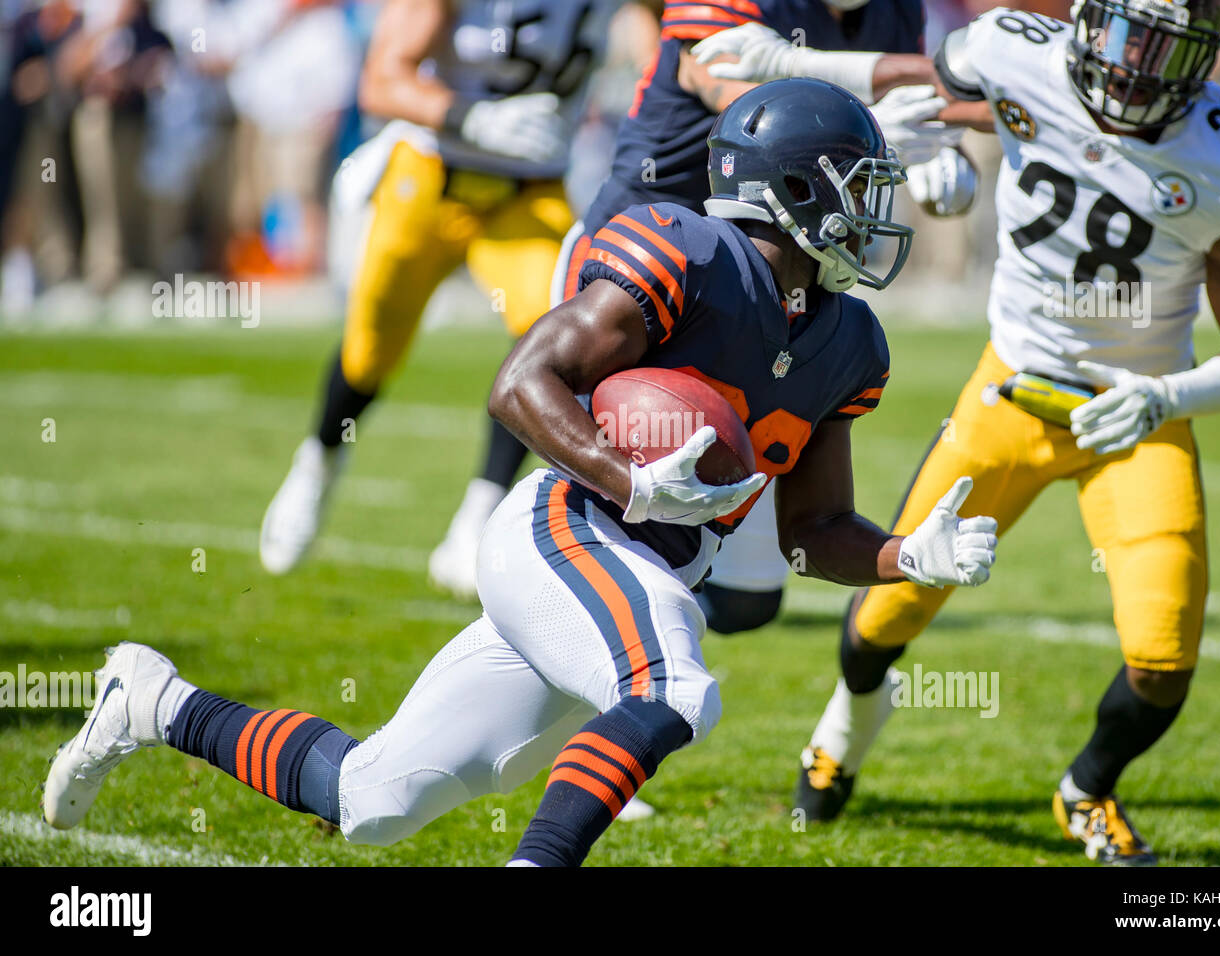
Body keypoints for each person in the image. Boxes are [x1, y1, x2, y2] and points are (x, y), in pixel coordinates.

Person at [43, 79, 1000, 867]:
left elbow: (812, 530)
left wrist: (908, 554)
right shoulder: (690, 254)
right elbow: (521, 383)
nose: (874, 211)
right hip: (569, 527)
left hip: (648, 567)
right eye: (856, 186)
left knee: (373, 798)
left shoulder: (848, 342)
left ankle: (154, 701)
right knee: (673, 689)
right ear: (794, 190)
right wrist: (626, 479)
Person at [732, 0, 1220, 864]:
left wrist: (1168, 396)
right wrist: (926, 146)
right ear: (1086, 20)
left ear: (1205, 55)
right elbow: (929, 90)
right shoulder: (1016, 51)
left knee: (1164, 654)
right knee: (886, 610)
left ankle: (1088, 789)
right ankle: (845, 725)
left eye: (1163, 47)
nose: (1136, 63)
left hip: (1135, 415)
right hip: (1010, 393)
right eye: (1121, 34)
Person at [428, 0, 974, 624]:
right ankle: (504, 528)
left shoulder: (893, 14)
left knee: (745, 601)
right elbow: (717, 80)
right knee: (618, 517)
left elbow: (811, 533)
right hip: (659, 260)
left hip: (783, 271)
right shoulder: (675, 246)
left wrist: (933, 144)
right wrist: (861, 121)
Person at [258, 0, 616, 576]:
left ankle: (481, 509)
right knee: (369, 350)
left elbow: (672, 35)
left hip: (526, 189)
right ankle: (318, 462)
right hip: (431, 177)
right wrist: (467, 117)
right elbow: (381, 81)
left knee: (552, 335)